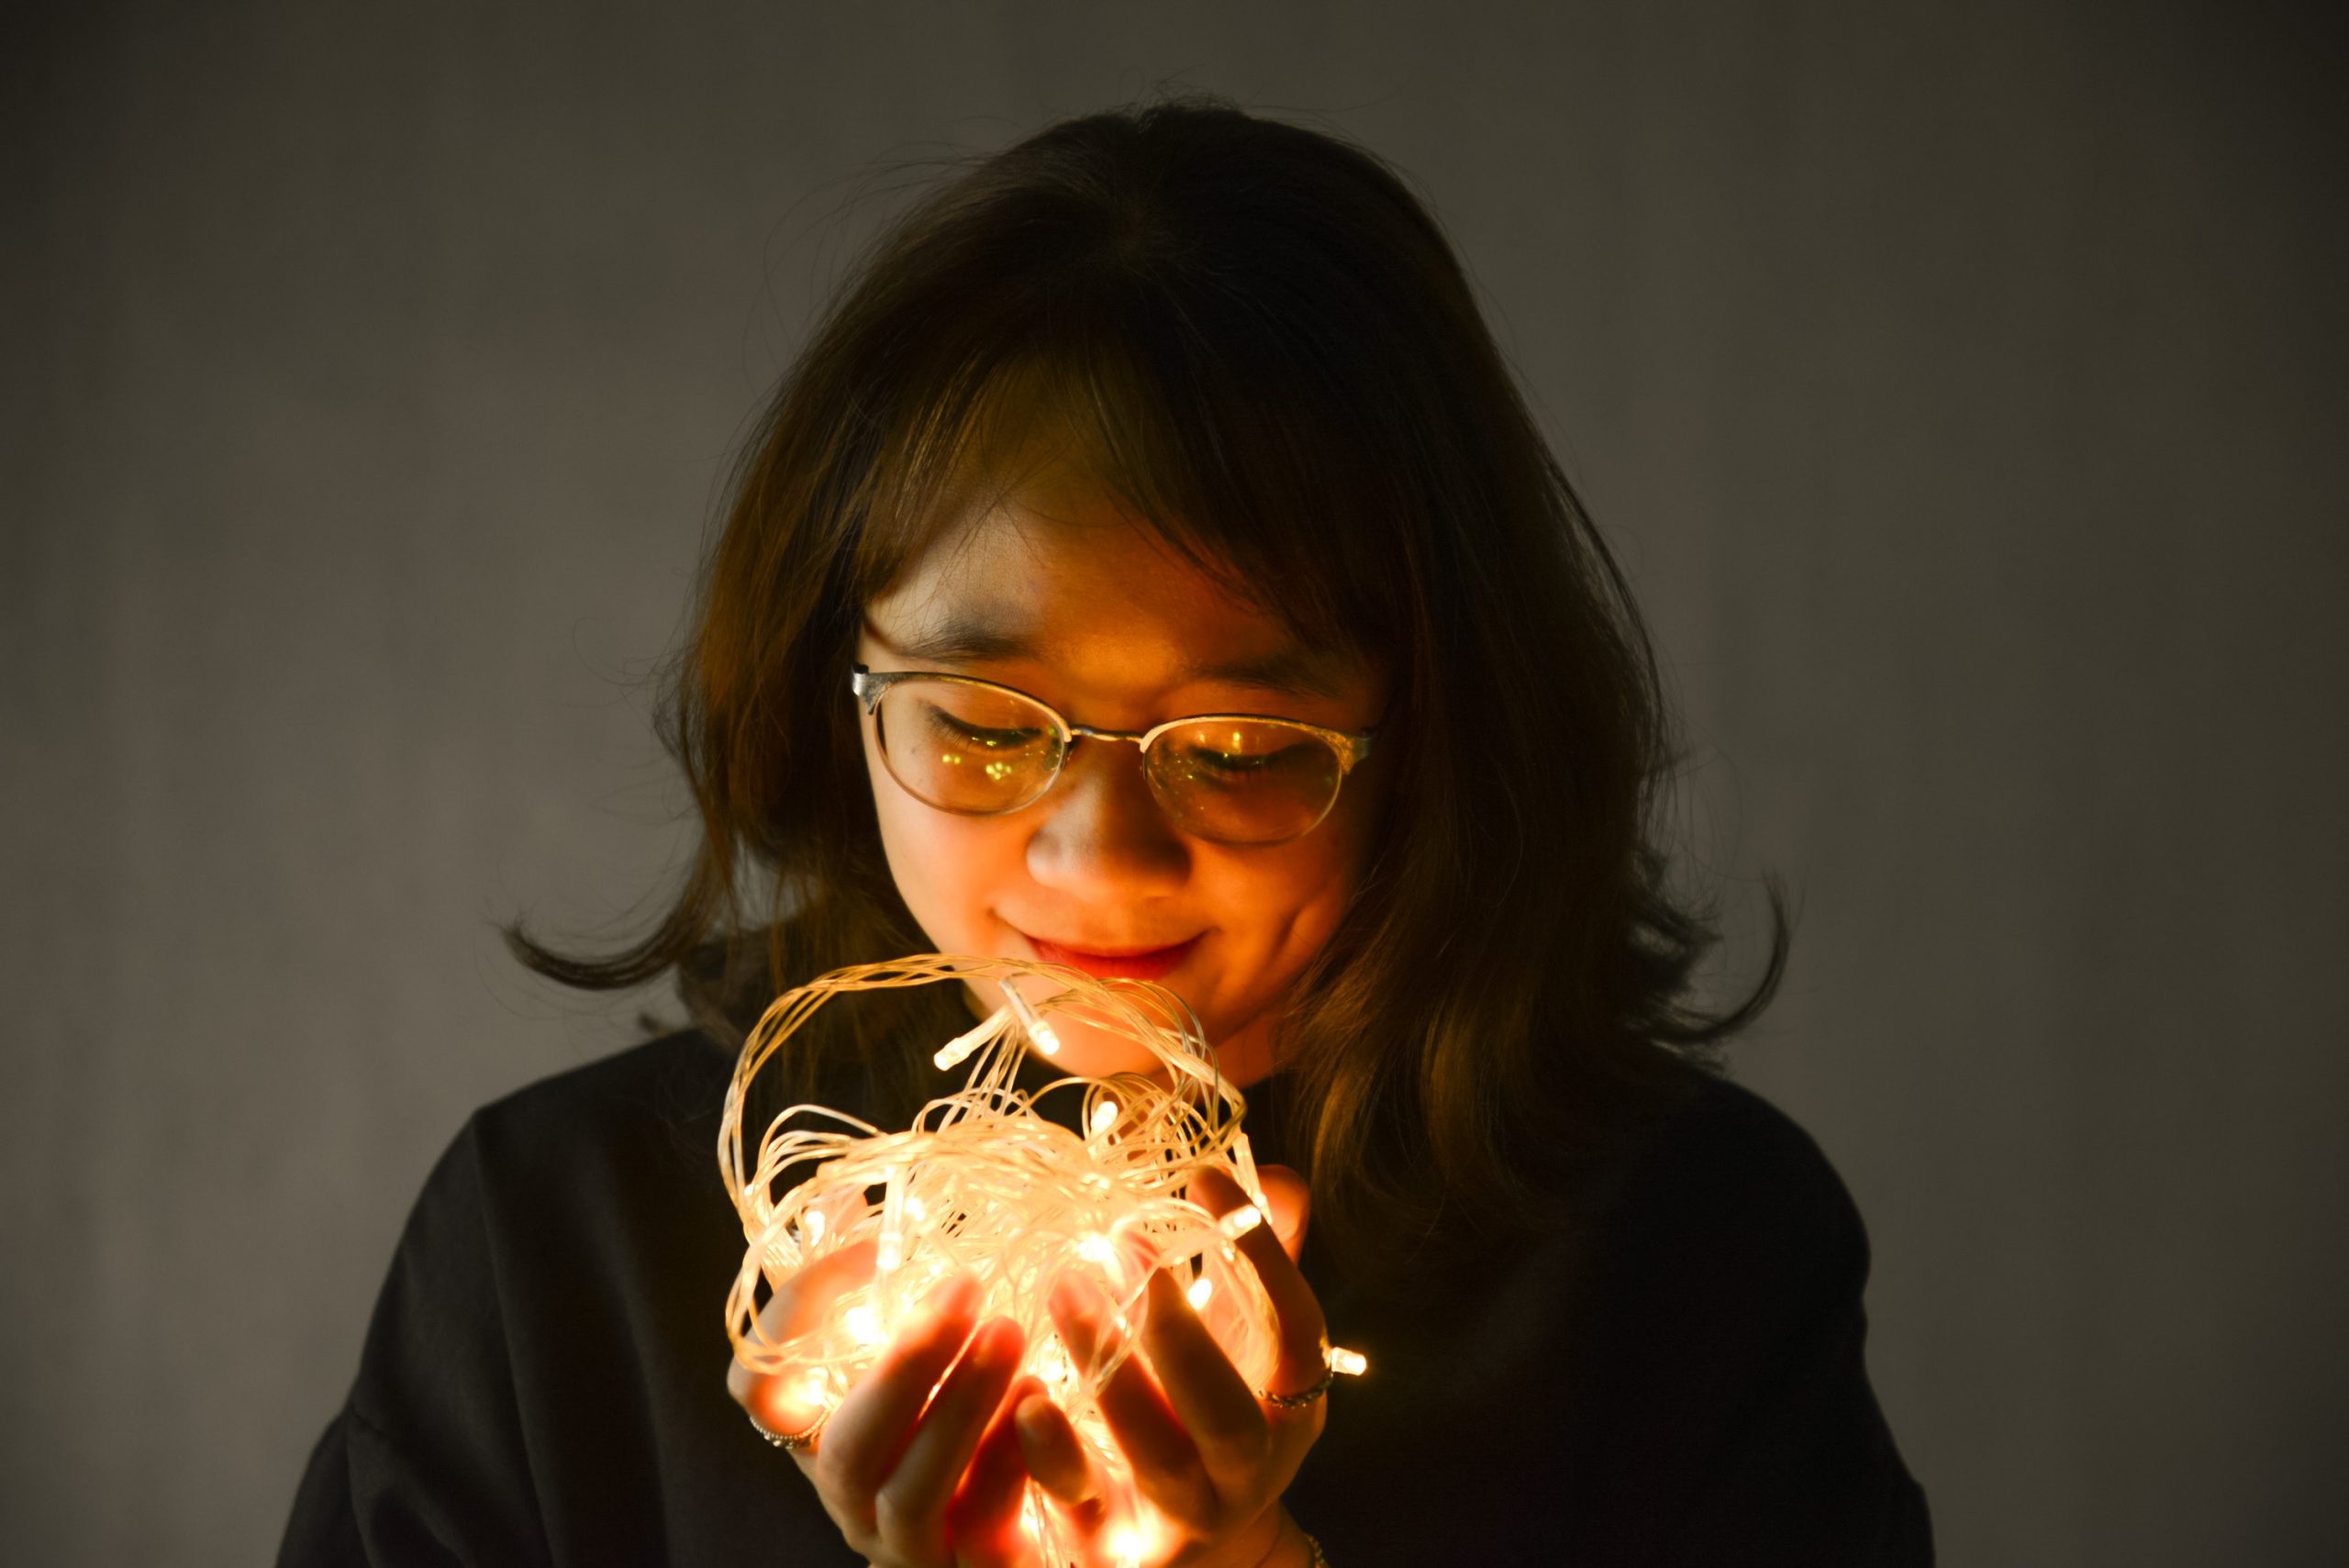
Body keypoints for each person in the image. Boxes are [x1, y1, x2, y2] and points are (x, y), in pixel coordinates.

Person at [279, 97, 1933, 1566]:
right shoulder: (552, 1250)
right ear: (835, 693)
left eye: (1237, 746)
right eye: (986, 728)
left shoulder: (1692, 1264)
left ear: (1437, 737)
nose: (1103, 861)